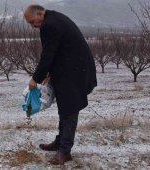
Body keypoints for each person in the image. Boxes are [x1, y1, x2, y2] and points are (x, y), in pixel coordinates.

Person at [24, 4, 97, 165]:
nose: (33, 26)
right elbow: (58, 50)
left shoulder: (49, 25)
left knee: (70, 110)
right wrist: (49, 72)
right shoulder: (53, 19)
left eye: (32, 22)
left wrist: (35, 79)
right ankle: (60, 142)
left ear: (40, 14)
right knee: (64, 108)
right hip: (70, 68)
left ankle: (64, 151)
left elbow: (48, 54)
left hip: (76, 71)